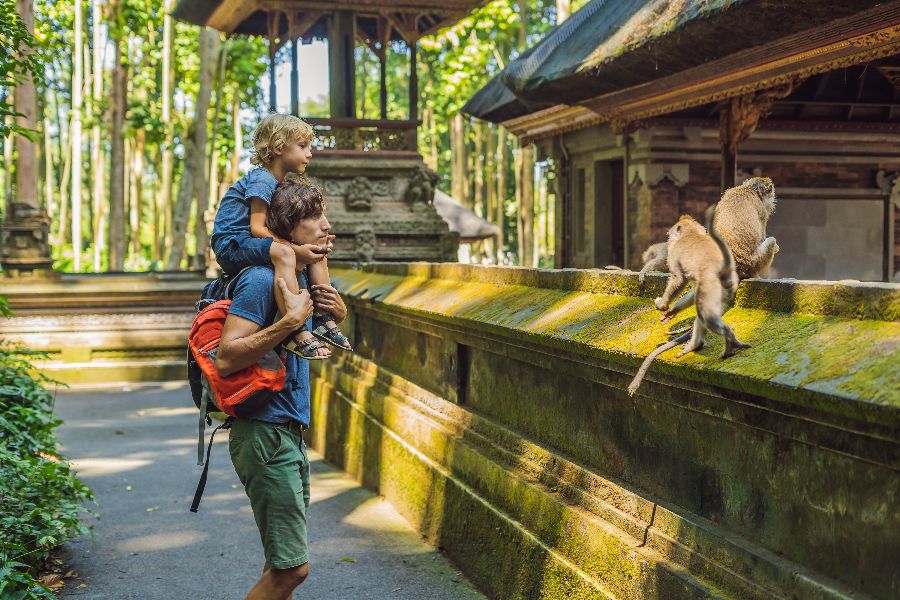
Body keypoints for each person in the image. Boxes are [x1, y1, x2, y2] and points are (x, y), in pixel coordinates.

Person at [214, 184, 347, 600]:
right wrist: (289, 324)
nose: (327, 226)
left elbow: (323, 344)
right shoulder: (260, 278)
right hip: (264, 432)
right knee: (292, 570)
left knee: (280, 565)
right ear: (288, 227)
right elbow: (226, 357)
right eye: (316, 217)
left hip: (286, 431)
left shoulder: (302, 277)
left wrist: (336, 314)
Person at [210, 113, 351, 361]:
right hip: (233, 243)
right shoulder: (263, 179)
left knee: (316, 250)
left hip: (252, 242)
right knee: (285, 252)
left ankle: (323, 317)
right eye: (303, 146)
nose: (310, 153)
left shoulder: (279, 183)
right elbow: (257, 228)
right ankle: (297, 329)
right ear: (278, 147)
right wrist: (294, 250)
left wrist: (304, 248)